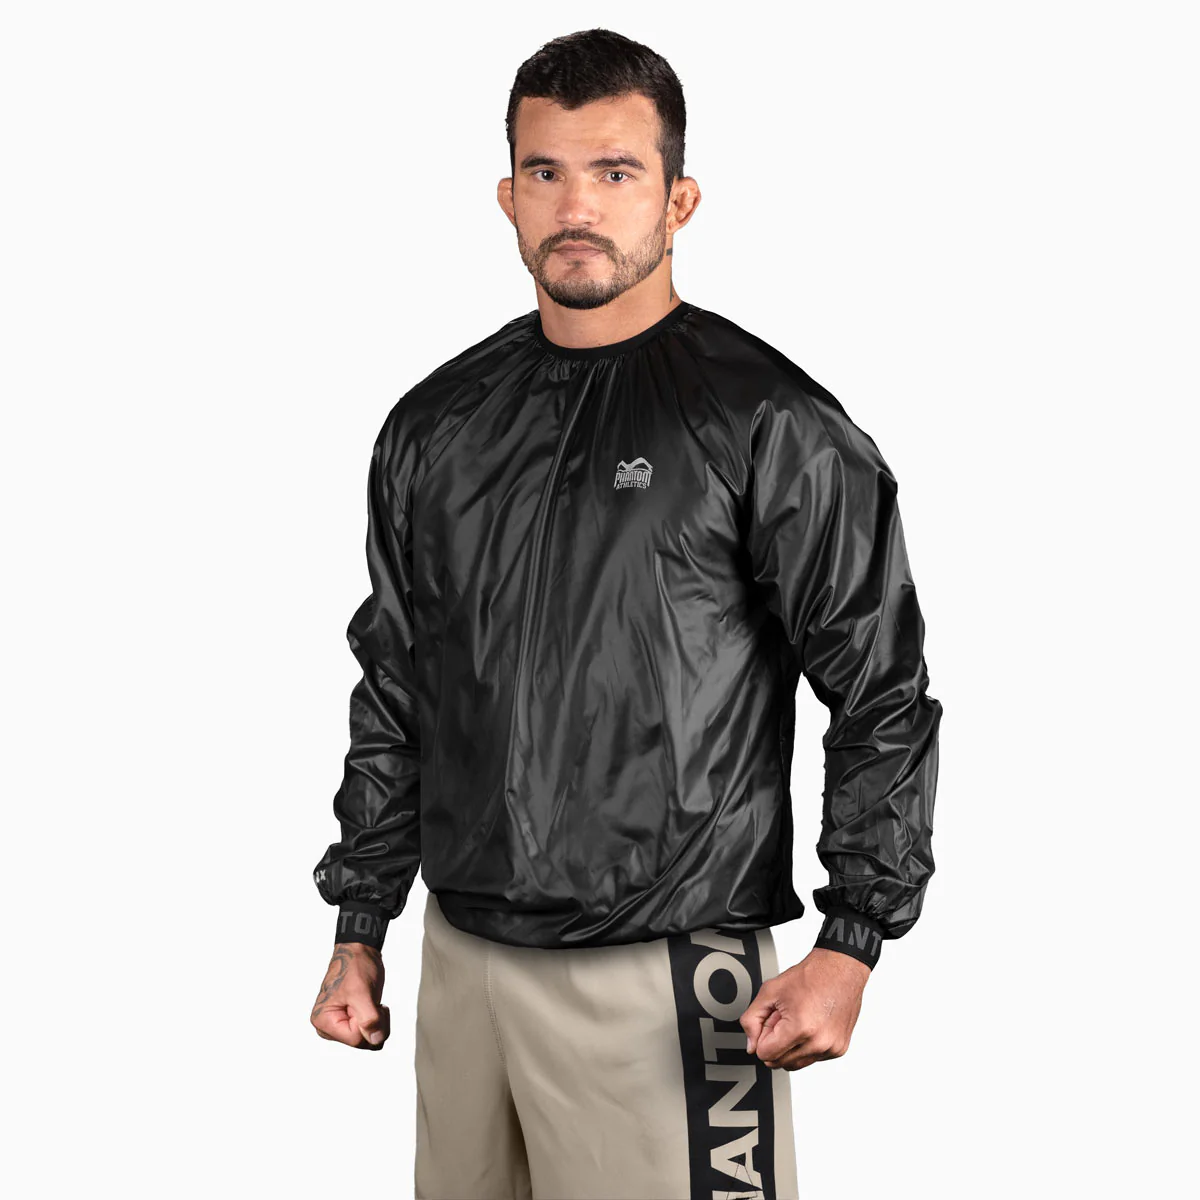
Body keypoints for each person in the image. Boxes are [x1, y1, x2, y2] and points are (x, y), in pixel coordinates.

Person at [310, 27, 942, 1200]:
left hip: (668, 969)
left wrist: (854, 938)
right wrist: (361, 921)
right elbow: (397, 682)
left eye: (615, 171)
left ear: (679, 198)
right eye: (545, 171)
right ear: (507, 195)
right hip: (464, 961)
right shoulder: (436, 426)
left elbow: (881, 689)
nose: (576, 207)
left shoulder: (769, 423)